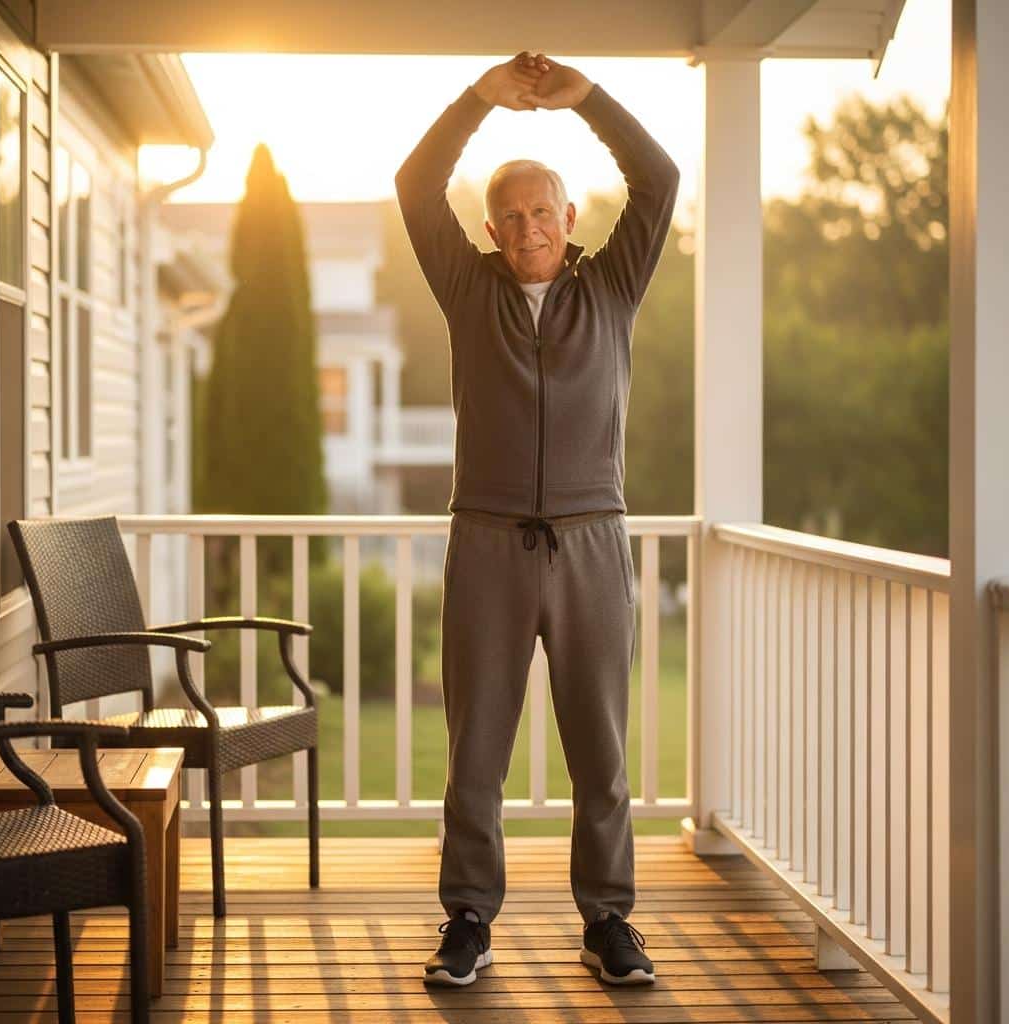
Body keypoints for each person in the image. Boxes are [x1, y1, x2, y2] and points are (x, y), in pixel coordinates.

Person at [394, 50, 679, 988]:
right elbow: (414, 179)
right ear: (490, 227)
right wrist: (482, 98)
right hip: (487, 540)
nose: (528, 228)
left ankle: (608, 922)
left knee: (600, 745)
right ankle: (469, 918)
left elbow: (659, 177)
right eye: (510, 215)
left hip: (593, 539)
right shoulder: (466, 287)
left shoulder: (614, 285)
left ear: (569, 219)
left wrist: (583, 99)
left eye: (543, 211)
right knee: (476, 744)